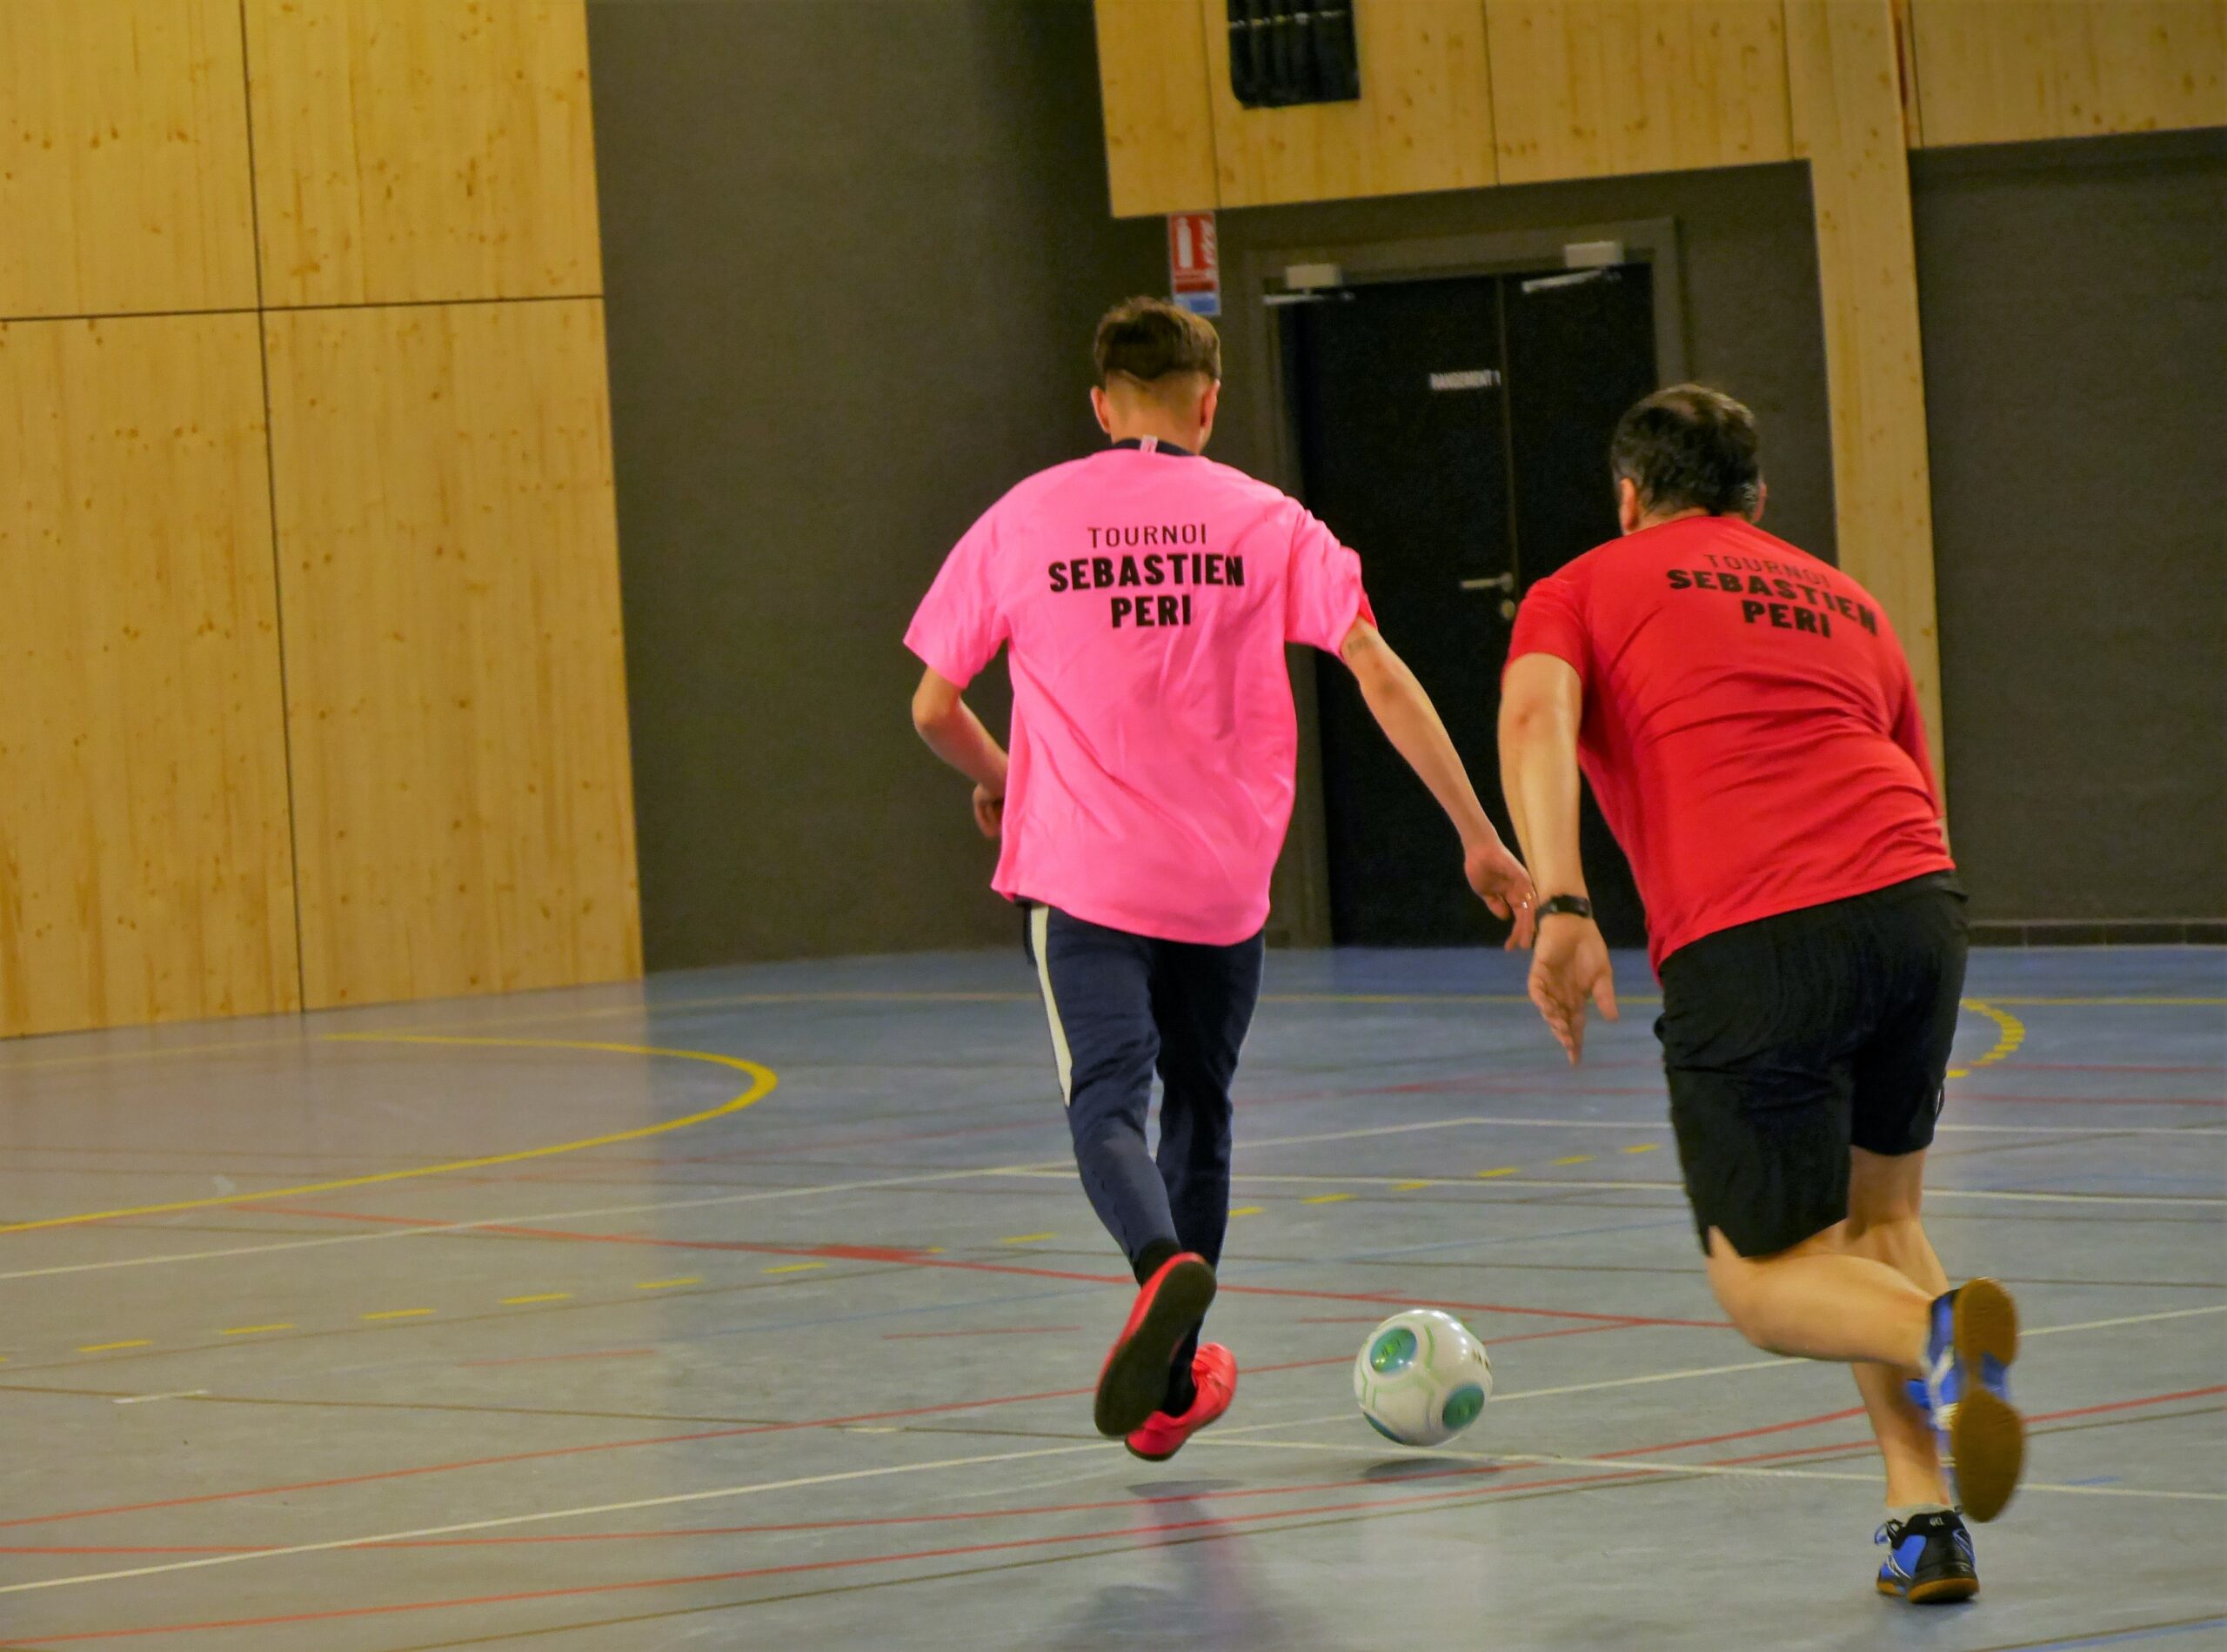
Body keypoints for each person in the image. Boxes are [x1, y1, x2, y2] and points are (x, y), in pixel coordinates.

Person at [906, 297, 1535, 1461]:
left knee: (1108, 1102)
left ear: (1100, 406)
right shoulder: (1269, 521)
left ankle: (1161, 1274)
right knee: (1202, 1101)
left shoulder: (1024, 517)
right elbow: (1377, 672)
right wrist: (1478, 833)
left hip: (1080, 875)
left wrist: (1001, 774)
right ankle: (1171, 1387)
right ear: (1209, 403)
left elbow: (933, 705)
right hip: (1221, 886)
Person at [1496, 385, 2023, 1602]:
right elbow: (1911, 775)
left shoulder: (1585, 584)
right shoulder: (1848, 598)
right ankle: (1924, 1520)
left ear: (1629, 498)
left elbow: (1533, 708)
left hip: (1758, 928)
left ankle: (1939, 1339)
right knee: (1879, 1223)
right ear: (1759, 500)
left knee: (1763, 1277)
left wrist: (1564, 904)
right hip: (1916, 905)